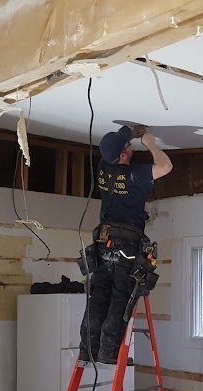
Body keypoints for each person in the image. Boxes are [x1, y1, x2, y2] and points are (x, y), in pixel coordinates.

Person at [79, 124, 173, 364]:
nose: (130, 148)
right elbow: (166, 166)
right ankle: (108, 353)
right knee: (120, 297)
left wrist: (130, 132)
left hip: (104, 243)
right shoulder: (133, 176)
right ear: (121, 155)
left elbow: (118, 146)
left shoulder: (102, 168)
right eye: (128, 147)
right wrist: (151, 143)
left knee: (99, 297)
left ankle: (88, 350)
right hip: (125, 246)